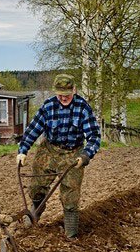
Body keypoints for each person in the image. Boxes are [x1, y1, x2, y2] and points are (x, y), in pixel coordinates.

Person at [17, 74, 101, 239]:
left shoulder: (82, 107)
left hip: (73, 152)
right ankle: (36, 212)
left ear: (74, 90)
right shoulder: (48, 106)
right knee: (36, 186)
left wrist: (85, 156)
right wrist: (23, 150)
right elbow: (33, 129)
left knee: (70, 194)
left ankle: (71, 233)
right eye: (60, 94)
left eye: (67, 95)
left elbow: (94, 136)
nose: (63, 98)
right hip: (49, 150)